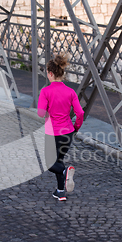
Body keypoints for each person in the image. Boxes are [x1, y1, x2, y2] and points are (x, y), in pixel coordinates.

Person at [37, 54, 84, 201]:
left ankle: (65, 172)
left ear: (50, 73)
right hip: (68, 132)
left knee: (49, 163)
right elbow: (80, 112)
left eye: (47, 73)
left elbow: (40, 113)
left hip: (53, 132)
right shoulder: (70, 92)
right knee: (58, 159)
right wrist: (76, 127)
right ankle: (60, 191)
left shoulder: (45, 91)